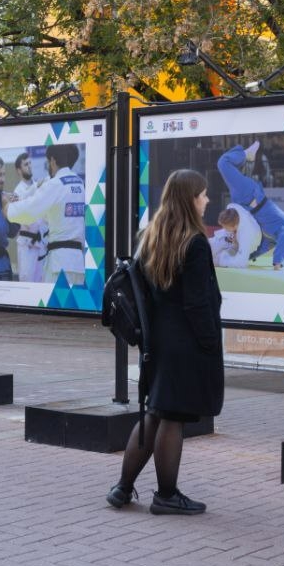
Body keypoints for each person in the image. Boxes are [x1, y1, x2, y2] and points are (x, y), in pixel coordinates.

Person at [107, 169, 223, 516]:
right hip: (184, 342)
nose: (207, 200)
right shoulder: (194, 243)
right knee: (171, 417)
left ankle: (122, 488)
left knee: (155, 413)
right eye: (203, 194)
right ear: (190, 198)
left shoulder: (151, 235)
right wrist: (209, 343)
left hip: (156, 340)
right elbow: (197, 303)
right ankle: (167, 495)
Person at [5, 144, 87, 286]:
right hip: (77, 263)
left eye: (48, 162)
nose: (48, 166)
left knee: (54, 301)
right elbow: (55, 215)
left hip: (60, 264)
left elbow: (30, 210)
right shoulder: (79, 183)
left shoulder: (55, 184)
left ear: (53, 161)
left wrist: (8, 209)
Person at [215, 143, 284, 270]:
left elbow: (260, 249)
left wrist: (244, 256)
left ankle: (214, 253)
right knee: (223, 163)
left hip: (244, 206)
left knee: (229, 233)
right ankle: (246, 154)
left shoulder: (272, 241)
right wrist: (278, 263)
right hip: (249, 194)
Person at [11, 152, 48, 283]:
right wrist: (36, 187)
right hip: (27, 245)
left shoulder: (38, 186)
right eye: (26, 164)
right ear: (19, 170)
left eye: (30, 163)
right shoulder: (17, 192)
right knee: (27, 281)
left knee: (41, 282)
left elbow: (44, 215)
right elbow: (23, 212)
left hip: (41, 243)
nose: (29, 166)